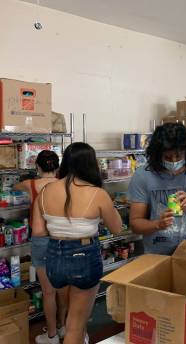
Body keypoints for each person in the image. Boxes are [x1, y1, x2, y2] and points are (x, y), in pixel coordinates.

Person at [32, 143, 122, 344]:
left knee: (71, 312)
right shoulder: (97, 193)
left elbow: (38, 231)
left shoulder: (45, 191)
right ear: (91, 164)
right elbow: (117, 228)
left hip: (54, 256)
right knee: (75, 323)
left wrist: (61, 228)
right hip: (84, 256)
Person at [128, 123, 186, 255]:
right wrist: (157, 224)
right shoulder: (143, 176)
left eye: (179, 156)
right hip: (157, 254)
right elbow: (135, 224)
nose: (173, 161)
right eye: (167, 157)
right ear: (156, 154)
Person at [14, 150, 68, 344]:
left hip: (41, 241)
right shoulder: (65, 184)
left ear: (37, 166)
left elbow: (15, 185)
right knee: (62, 289)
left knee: (48, 292)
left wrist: (28, 177)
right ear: (57, 167)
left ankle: (51, 335)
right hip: (63, 240)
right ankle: (63, 328)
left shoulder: (31, 185)